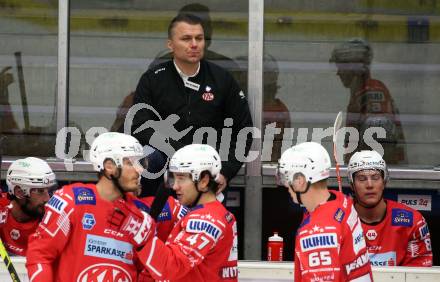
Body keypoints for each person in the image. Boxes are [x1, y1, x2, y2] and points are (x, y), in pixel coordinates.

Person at [131, 13, 253, 195]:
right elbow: (141, 126)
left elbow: (243, 130)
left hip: (207, 169)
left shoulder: (222, 79)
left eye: (199, 38)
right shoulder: (153, 79)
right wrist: (177, 151)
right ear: (170, 44)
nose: (194, 44)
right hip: (166, 164)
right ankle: (148, 217)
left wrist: (225, 171)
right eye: (186, 39)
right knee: (149, 155)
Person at [26, 132, 153, 281]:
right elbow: (40, 255)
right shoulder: (72, 201)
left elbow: (147, 273)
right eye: (130, 163)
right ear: (109, 166)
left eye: (140, 163)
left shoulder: (141, 217)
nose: (139, 170)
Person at [108, 144, 238, 281]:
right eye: (173, 178)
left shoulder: (205, 220)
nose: (175, 186)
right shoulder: (216, 213)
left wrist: (138, 230)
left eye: (181, 178)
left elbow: (171, 267)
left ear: (204, 181)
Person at [277, 142, 372, 281]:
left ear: (300, 181)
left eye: (287, 178)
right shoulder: (341, 201)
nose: (286, 185)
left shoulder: (316, 232)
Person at [348, 150, 433, 267]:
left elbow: (417, 276)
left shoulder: (412, 221)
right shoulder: (339, 220)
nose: (369, 185)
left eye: (375, 177)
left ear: (384, 181)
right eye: (362, 179)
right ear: (352, 185)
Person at [330, 38, 406, 164]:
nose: (338, 73)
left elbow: (379, 145)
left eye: (340, 67)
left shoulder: (371, 92)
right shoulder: (361, 93)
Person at [0, 157, 55, 256]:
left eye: (49, 190)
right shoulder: (1, 208)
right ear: (19, 192)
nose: (47, 199)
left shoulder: (53, 221)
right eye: (40, 191)